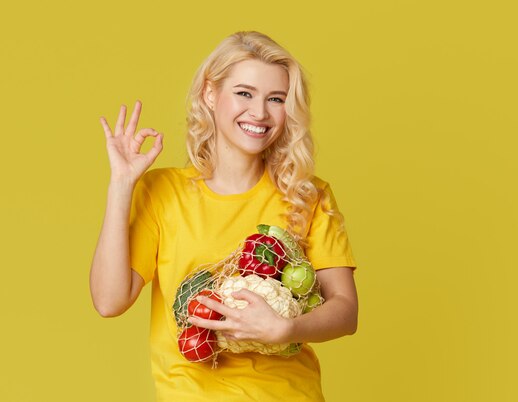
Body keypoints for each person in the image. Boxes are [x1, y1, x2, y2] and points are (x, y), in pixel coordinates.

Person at [89, 31, 358, 401]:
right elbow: (109, 301)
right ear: (210, 93)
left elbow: (345, 311)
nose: (260, 113)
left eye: (276, 99)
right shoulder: (162, 191)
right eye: (244, 93)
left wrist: (285, 329)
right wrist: (121, 185)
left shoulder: (307, 195)